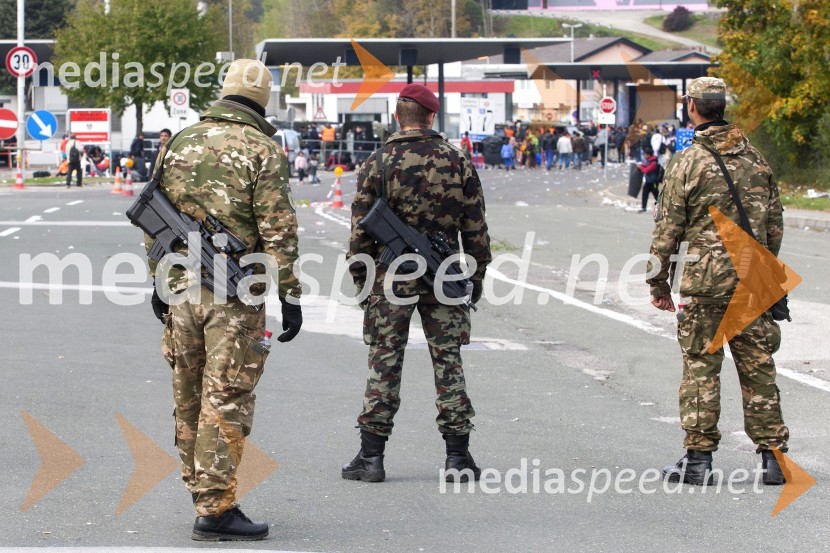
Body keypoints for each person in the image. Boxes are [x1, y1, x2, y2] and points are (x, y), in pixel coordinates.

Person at [143, 59, 302, 541]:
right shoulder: (263, 148)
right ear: (262, 100)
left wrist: (158, 279)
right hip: (232, 297)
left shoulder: (179, 141)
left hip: (180, 290)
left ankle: (201, 488)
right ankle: (214, 509)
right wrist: (290, 294)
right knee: (226, 395)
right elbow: (278, 228)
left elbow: (152, 217)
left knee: (188, 392)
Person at [344, 83, 491, 484]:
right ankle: (458, 457)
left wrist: (362, 280)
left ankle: (371, 458)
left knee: (384, 363)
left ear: (397, 116)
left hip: (392, 280)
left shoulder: (378, 162)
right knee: (449, 363)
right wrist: (475, 276)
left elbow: (360, 233)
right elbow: (475, 228)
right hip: (443, 276)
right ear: (431, 116)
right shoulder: (458, 161)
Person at [647, 77, 788, 486]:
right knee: (759, 368)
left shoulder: (687, 162)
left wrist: (659, 286)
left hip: (705, 283)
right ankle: (774, 460)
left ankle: (698, 462)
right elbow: (774, 224)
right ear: (721, 106)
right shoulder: (757, 160)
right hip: (753, 279)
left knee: (700, 367)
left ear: (693, 107)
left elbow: (667, 231)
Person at [637, 146, 660, 212]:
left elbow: (647, 170)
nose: (644, 155)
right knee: (644, 194)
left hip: (653, 182)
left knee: (657, 196)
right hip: (648, 181)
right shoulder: (649, 161)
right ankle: (644, 207)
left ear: (649, 155)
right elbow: (645, 165)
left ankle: (662, 208)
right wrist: (640, 166)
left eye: (645, 154)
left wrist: (641, 168)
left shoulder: (653, 162)